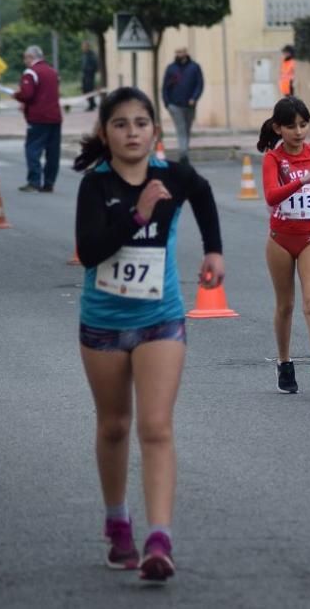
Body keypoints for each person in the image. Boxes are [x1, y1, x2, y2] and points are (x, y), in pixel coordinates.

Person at [73, 87, 224, 582]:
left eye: (141, 123)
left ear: (155, 131)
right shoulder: (95, 185)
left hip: (161, 317)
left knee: (155, 426)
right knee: (115, 424)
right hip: (103, 323)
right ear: (106, 133)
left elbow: (201, 193)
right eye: (121, 124)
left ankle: (160, 538)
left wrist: (214, 251)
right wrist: (137, 214)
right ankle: (118, 520)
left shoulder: (172, 176)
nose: (132, 132)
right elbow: (92, 251)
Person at [256, 97, 310, 396]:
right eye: (291, 126)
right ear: (278, 128)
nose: (299, 131)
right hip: (280, 239)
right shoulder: (273, 159)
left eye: (303, 124)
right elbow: (270, 196)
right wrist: (301, 179)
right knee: (286, 305)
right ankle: (284, 362)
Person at [14, 45, 62, 193]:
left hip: (38, 117)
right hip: (55, 116)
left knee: (33, 149)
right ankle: (49, 183)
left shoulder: (31, 72)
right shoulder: (52, 71)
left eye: (25, 58)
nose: (24, 61)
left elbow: (27, 94)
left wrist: (17, 95)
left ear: (31, 57)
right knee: (53, 152)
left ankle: (34, 182)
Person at [161, 47, 203, 166]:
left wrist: (194, 98)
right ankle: (183, 155)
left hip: (190, 105)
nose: (179, 54)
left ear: (186, 53)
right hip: (175, 105)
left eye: (181, 52)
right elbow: (165, 87)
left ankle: (184, 153)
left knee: (186, 129)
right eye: (177, 52)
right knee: (181, 129)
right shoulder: (171, 68)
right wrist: (167, 103)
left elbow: (199, 84)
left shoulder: (194, 67)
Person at [82, 40, 99, 111]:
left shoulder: (91, 54)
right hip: (85, 75)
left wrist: (90, 70)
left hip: (90, 75)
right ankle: (92, 103)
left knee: (90, 90)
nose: (83, 48)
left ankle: (91, 105)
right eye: (82, 46)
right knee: (85, 90)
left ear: (87, 47)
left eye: (84, 46)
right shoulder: (84, 54)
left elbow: (95, 65)